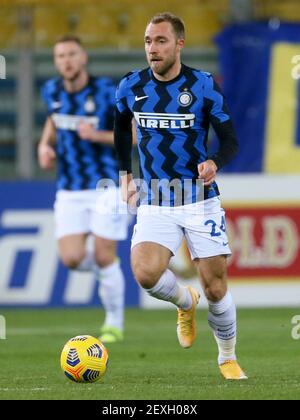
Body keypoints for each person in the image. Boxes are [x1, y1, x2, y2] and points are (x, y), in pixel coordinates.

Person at [114, 13, 247, 379]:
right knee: (144, 273)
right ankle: (184, 301)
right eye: (147, 41)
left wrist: (214, 161)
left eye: (160, 41)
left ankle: (227, 357)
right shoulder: (130, 86)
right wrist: (125, 176)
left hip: (199, 198)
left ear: (179, 44)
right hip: (156, 198)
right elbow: (121, 134)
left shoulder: (202, 86)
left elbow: (232, 140)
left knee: (216, 287)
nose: (152, 49)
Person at [38, 35, 128, 343]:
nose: (66, 60)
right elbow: (53, 120)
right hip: (69, 188)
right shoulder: (51, 90)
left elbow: (130, 135)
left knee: (103, 254)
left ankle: (114, 323)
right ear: (56, 62)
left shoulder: (106, 91)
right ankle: (108, 270)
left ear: (83, 57)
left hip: (105, 184)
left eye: (71, 54)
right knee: (72, 259)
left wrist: (98, 135)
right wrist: (44, 145)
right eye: (60, 56)